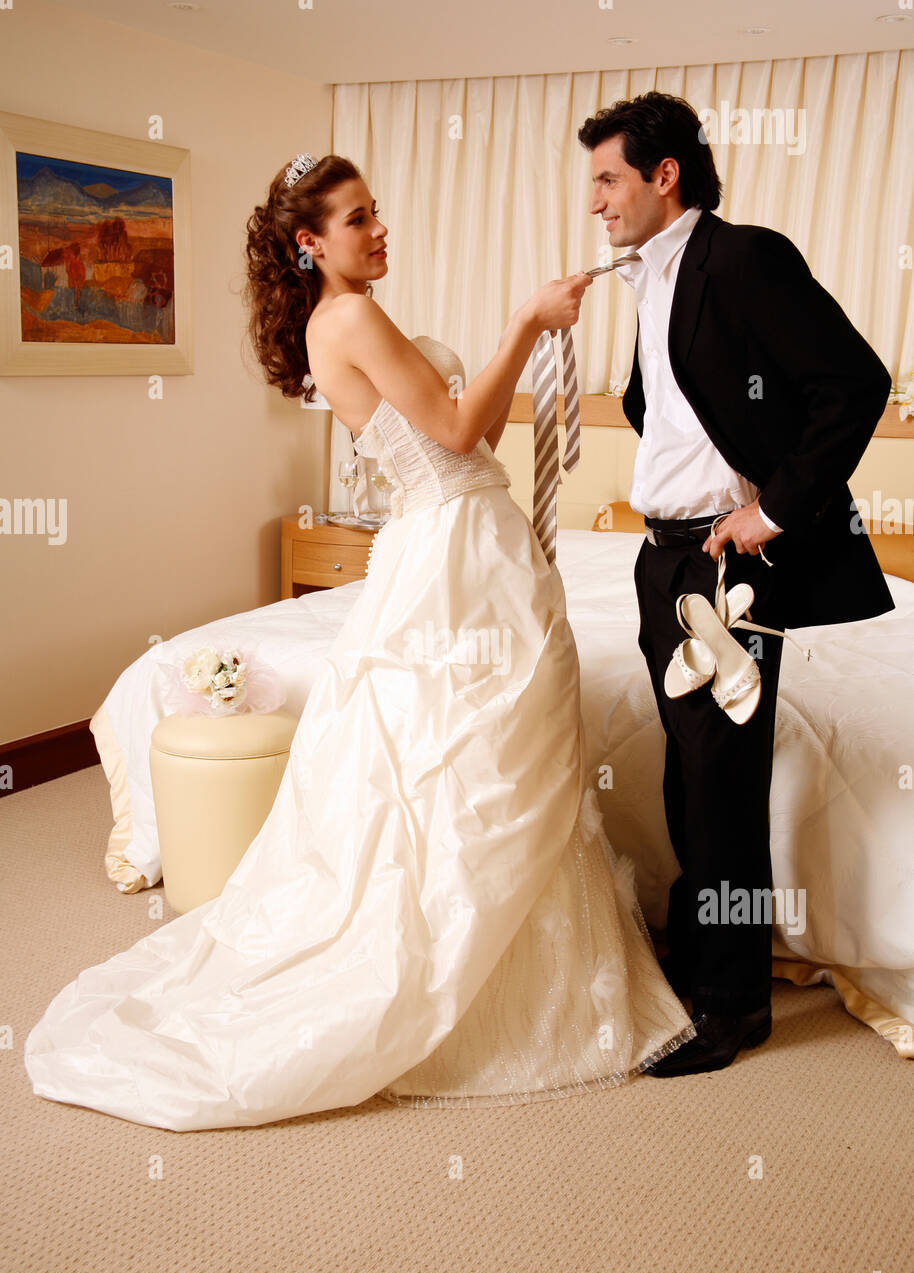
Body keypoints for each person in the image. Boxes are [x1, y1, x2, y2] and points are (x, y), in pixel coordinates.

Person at [24, 153, 694, 1131]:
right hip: (454, 552)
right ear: (309, 242)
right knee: (480, 753)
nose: (378, 232)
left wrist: (523, 346)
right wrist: (521, 322)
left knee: (497, 752)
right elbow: (461, 434)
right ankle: (490, 978)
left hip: (465, 537)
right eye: (355, 220)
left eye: (376, 213)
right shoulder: (348, 318)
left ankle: (530, 963)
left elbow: (471, 439)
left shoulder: (338, 318)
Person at [578, 92, 893, 1075]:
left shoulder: (742, 256)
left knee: (722, 778)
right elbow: (660, 403)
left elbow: (853, 381)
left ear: (661, 174)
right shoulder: (645, 279)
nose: (592, 201)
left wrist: (772, 509)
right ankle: (702, 962)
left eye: (606, 178)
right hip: (659, 556)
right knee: (687, 772)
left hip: (727, 563)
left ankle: (731, 1006)